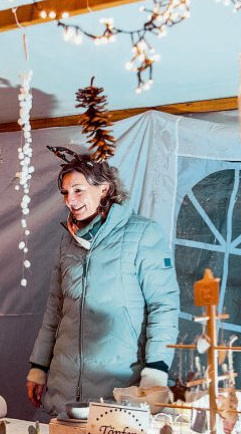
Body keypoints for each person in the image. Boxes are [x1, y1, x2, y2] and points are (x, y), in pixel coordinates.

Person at [26, 147, 180, 417]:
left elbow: (163, 306)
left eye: (78, 190)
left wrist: (156, 370)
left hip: (119, 388)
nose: (70, 200)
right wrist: (39, 367)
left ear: (104, 189)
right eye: (65, 193)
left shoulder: (143, 233)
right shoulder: (68, 242)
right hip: (64, 388)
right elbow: (55, 309)